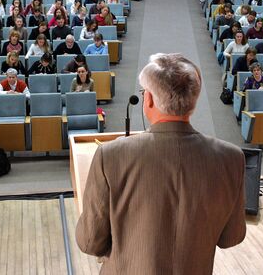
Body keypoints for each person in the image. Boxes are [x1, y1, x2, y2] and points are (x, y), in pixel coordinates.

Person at [76, 53, 245, 274]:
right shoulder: (232, 158)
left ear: (149, 99)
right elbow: (231, 237)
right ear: (193, 101)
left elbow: (89, 242)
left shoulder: (110, 155)